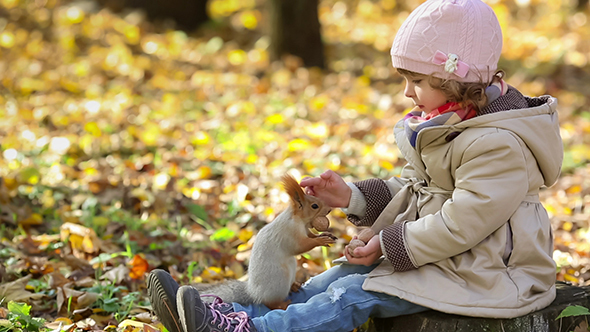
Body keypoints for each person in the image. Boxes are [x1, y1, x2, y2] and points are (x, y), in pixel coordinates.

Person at [147, 0, 563, 331]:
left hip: (486, 275)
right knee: (330, 281)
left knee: (350, 295)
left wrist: (388, 242)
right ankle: (235, 319)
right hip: (445, 258)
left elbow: (464, 221)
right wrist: (352, 196)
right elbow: (414, 189)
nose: (406, 92)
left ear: (456, 80)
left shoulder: (497, 145)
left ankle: (252, 330)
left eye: (416, 81)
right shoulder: (452, 123)